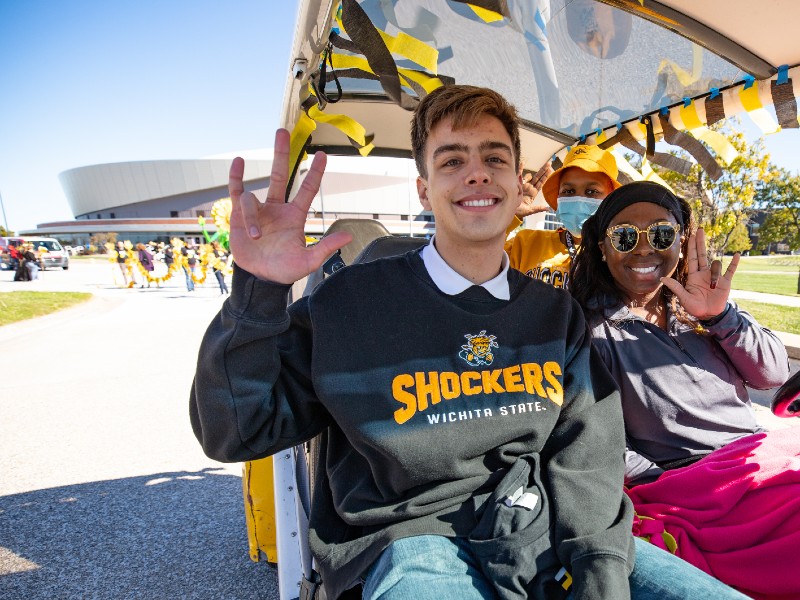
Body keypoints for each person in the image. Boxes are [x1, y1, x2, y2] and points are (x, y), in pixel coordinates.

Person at [190, 86, 748, 600]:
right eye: (453, 160)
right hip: (410, 543)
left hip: (543, 529)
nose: (477, 174)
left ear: (516, 184)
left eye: (494, 158)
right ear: (424, 189)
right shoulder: (347, 305)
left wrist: (599, 572)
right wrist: (259, 292)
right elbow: (234, 431)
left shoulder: (555, 316)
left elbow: (587, 459)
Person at [569, 180, 797, 598]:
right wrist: (662, 483)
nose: (644, 249)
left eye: (661, 234)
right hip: (695, 484)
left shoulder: (702, 302)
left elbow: (775, 376)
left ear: (681, 240)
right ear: (603, 247)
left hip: (759, 455)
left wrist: (719, 316)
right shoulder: (589, 329)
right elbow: (594, 437)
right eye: (624, 236)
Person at [505, 144, 620, 289]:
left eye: (591, 191)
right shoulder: (525, 243)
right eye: (569, 191)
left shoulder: (621, 251)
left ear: (612, 199)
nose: (578, 200)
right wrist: (507, 217)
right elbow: (474, 266)